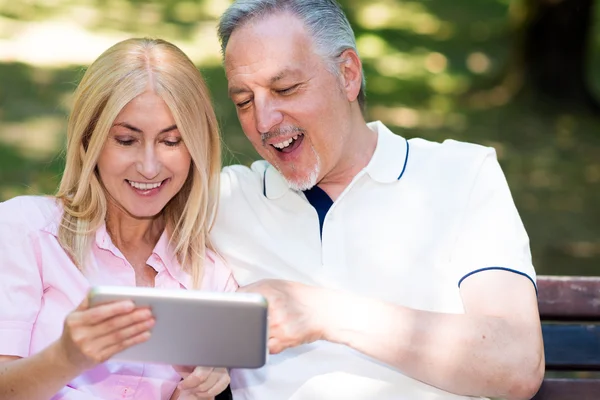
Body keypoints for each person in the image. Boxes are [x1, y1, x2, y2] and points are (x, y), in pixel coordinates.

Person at [210, 1, 545, 399]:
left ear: (347, 75)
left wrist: (320, 312)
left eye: (285, 89)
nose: (263, 121)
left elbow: (517, 363)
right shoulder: (221, 202)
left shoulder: (462, 174)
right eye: (244, 101)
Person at [0, 38, 236, 400]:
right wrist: (65, 357)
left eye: (171, 142)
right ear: (88, 141)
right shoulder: (25, 231)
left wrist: (194, 393)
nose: (149, 166)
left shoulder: (212, 278)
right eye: (126, 140)